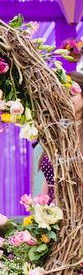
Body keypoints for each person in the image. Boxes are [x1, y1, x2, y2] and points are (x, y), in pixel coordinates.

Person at [39, 71, 83, 200]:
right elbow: (48, 180)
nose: (66, 100)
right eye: (62, 96)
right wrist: (40, 210)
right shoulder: (56, 131)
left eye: (71, 95)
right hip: (54, 212)